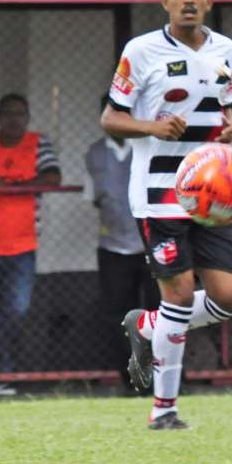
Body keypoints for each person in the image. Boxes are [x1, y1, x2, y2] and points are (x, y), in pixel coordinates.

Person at [100, 0, 232, 429]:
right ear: (164, 1)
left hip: (210, 195)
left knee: (229, 298)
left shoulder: (225, 49)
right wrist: (152, 126)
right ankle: (165, 410)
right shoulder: (140, 51)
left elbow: (222, 110)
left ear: (209, 1)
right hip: (158, 195)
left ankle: (148, 326)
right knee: (179, 296)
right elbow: (110, 118)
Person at [0, 93, 61, 396]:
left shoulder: (37, 144)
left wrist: (10, 186)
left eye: (20, 114)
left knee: (16, 309)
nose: (14, 119)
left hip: (22, 245)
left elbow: (53, 177)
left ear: (27, 118)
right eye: (8, 114)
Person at [84, 95, 159, 391]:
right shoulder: (93, 154)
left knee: (159, 313)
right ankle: (131, 380)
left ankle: (166, 378)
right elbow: (94, 198)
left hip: (152, 246)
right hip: (114, 247)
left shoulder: (149, 148)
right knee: (118, 316)